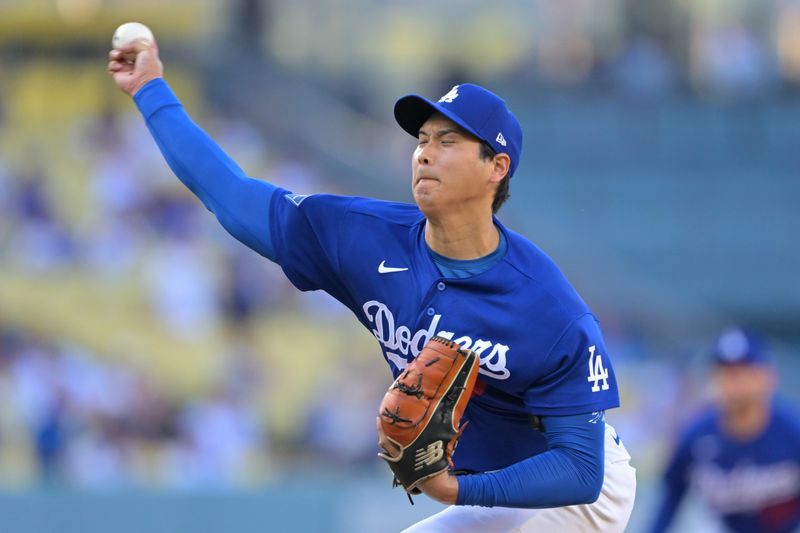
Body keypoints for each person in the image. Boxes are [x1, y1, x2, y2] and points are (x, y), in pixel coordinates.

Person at [107, 36, 636, 532]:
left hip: (570, 494)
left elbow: (580, 468)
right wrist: (152, 89)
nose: (424, 152)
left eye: (448, 141)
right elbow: (230, 193)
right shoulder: (364, 237)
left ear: (496, 167)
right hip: (494, 486)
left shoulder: (544, 305)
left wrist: (458, 490)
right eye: (422, 139)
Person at [650, 327, 800, 533]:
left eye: (741, 373)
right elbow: (669, 501)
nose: (732, 383)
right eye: (724, 373)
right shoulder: (697, 437)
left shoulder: (793, 432)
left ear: (766, 377)